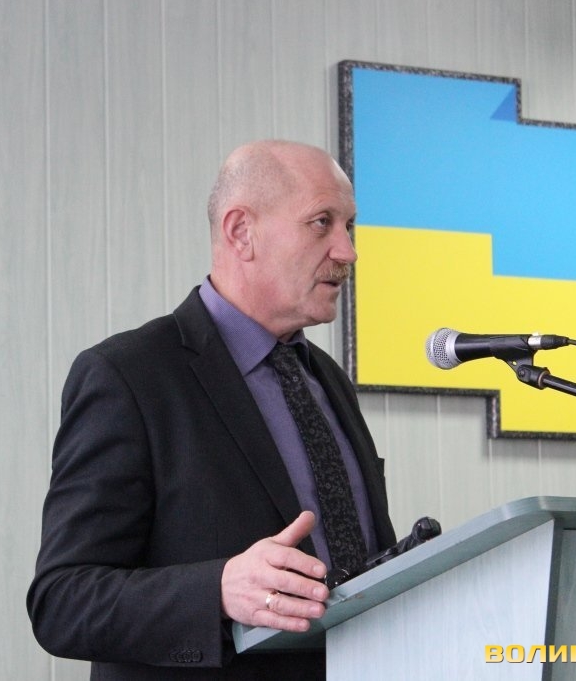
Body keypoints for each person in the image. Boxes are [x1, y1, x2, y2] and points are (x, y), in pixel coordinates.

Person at [27, 140, 397, 680]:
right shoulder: (128, 376)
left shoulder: (327, 379)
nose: (347, 252)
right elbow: (62, 601)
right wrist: (218, 590)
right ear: (241, 231)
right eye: (322, 223)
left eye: (350, 226)